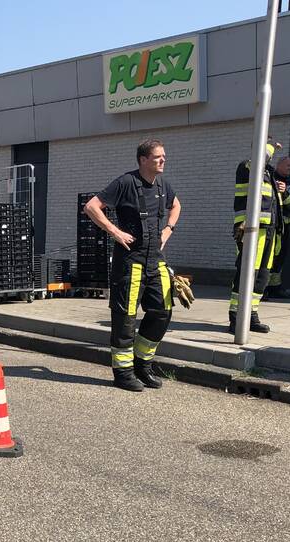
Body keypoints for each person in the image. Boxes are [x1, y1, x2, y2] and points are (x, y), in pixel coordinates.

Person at [84, 139, 181, 392]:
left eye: (164, 156)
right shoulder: (125, 183)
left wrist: (168, 229)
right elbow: (92, 206)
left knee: (162, 312)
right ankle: (123, 373)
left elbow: (176, 205)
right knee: (125, 319)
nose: (163, 160)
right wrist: (115, 231)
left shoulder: (163, 185)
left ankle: (142, 365)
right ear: (143, 160)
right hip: (130, 262)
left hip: (156, 261)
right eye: (158, 157)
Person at [229, 141, 282, 333]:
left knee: (262, 276)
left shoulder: (269, 172)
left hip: (269, 230)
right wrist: (270, 145)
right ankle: (236, 317)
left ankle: (251, 314)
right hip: (251, 230)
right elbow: (260, 159)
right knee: (247, 273)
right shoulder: (247, 166)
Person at [265, 155, 290, 300]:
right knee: (270, 256)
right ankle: (263, 288)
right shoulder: (271, 179)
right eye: (288, 165)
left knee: (281, 257)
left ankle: (275, 287)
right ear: (279, 165)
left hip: (286, 227)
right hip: (274, 226)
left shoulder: (289, 183)